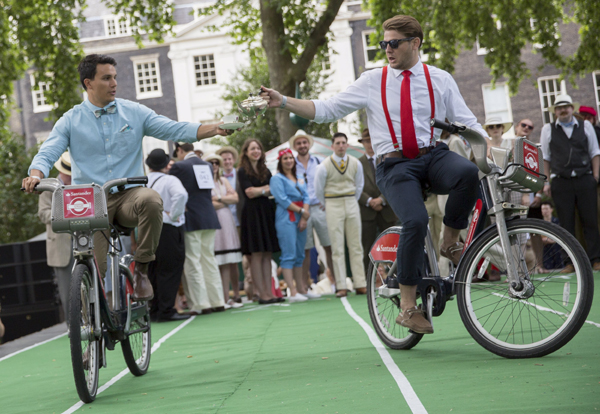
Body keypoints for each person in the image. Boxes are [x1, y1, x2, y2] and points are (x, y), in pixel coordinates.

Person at [260, 14, 486, 334]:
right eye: (383, 44)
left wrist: (487, 148)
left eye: (394, 43)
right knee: (416, 221)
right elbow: (327, 108)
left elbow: (467, 123)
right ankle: (407, 307)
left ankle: (450, 240)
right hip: (394, 165)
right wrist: (283, 101)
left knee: (466, 173)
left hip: (432, 155)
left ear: (415, 43)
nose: (387, 50)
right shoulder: (372, 80)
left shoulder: (439, 78)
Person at [22, 54, 228, 301]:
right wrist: (35, 175)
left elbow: (175, 128)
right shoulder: (71, 120)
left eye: (115, 77)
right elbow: (48, 152)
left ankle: (141, 270)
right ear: (88, 83)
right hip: (91, 202)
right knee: (95, 269)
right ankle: (95, 315)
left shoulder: (134, 112)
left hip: (130, 195)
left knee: (151, 199)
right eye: (106, 78)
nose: (114, 84)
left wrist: (215, 128)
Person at [541, 94, 600, 272]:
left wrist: (595, 177)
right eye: (559, 108)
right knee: (566, 223)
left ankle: (596, 259)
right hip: (560, 181)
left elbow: (595, 152)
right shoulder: (548, 129)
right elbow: (545, 157)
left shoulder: (586, 125)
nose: (563, 110)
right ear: (555, 111)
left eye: (566, 107)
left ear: (572, 108)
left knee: (590, 220)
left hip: (585, 179)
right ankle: (569, 262)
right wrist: (547, 181)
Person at [171, 143, 225, 314]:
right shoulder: (207, 165)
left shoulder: (179, 166)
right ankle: (217, 300)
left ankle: (201, 304)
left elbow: (176, 193)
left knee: (193, 260)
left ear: (180, 150)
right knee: (209, 259)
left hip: (191, 217)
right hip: (208, 216)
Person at [314, 132, 366, 298]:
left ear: (347, 145)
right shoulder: (324, 166)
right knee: (336, 247)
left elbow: (359, 186)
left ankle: (360, 283)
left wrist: (351, 200)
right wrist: (328, 203)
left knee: (356, 245)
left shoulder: (356, 163)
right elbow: (318, 190)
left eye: (344, 142)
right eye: (338, 143)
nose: (341, 146)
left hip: (351, 202)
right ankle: (341, 285)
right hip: (332, 203)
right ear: (332, 146)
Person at [145, 149, 190, 322]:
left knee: (153, 269)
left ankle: (155, 308)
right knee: (170, 268)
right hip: (168, 226)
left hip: (147, 228)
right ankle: (166, 309)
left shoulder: (142, 181)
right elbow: (181, 194)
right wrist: (174, 214)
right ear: (165, 164)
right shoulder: (170, 179)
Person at [237, 139, 282, 304]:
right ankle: (261, 294)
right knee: (256, 254)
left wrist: (260, 190)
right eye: (252, 148)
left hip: (267, 213)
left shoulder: (266, 170)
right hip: (252, 215)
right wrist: (266, 189)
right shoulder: (242, 171)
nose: (256, 151)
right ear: (246, 152)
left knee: (267, 253)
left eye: (258, 148)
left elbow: (274, 189)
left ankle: (270, 292)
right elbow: (249, 193)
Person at [290, 130, 336, 289]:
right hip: (301, 210)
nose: (302, 145)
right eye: (299, 143)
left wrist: (326, 201)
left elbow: (330, 181)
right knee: (305, 249)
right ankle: (304, 285)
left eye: (304, 142)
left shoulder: (320, 161)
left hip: (320, 207)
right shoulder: (290, 164)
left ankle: (336, 282)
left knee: (329, 245)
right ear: (295, 146)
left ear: (308, 144)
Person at [270, 148, 316, 302]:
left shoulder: (299, 176)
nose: (289, 161)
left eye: (291, 158)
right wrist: (302, 210)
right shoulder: (277, 179)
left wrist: (304, 215)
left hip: (301, 216)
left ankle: (302, 288)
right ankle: (292, 291)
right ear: (280, 162)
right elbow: (282, 199)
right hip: (286, 217)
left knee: (300, 253)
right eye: (285, 159)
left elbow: (307, 197)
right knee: (288, 253)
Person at [205, 153, 243, 309]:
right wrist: (224, 200)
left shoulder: (223, 180)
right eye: (211, 162)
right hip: (214, 221)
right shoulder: (204, 182)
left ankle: (231, 296)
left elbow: (235, 199)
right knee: (218, 261)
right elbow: (207, 204)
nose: (214, 165)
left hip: (227, 221)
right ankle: (222, 298)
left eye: (216, 163)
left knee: (230, 260)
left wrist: (218, 199)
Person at [38, 152, 74, 320]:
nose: (70, 176)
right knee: (67, 293)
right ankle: (72, 328)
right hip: (60, 247)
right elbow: (43, 213)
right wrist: (63, 215)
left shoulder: (80, 183)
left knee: (90, 288)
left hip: (83, 243)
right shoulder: (48, 186)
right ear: (62, 171)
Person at [357, 128, 397, 274]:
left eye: (371, 140)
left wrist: (381, 199)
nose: (369, 144)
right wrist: (369, 201)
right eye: (366, 141)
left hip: (387, 209)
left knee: (392, 244)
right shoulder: (357, 163)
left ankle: (396, 276)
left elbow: (393, 181)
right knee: (367, 247)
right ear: (362, 143)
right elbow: (355, 187)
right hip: (367, 211)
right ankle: (370, 278)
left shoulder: (387, 158)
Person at [540, 201, 563, 270]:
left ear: (551, 209)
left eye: (546, 209)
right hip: (545, 249)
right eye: (543, 209)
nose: (545, 211)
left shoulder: (557, 222)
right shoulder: (539, 224)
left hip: (557, 248)